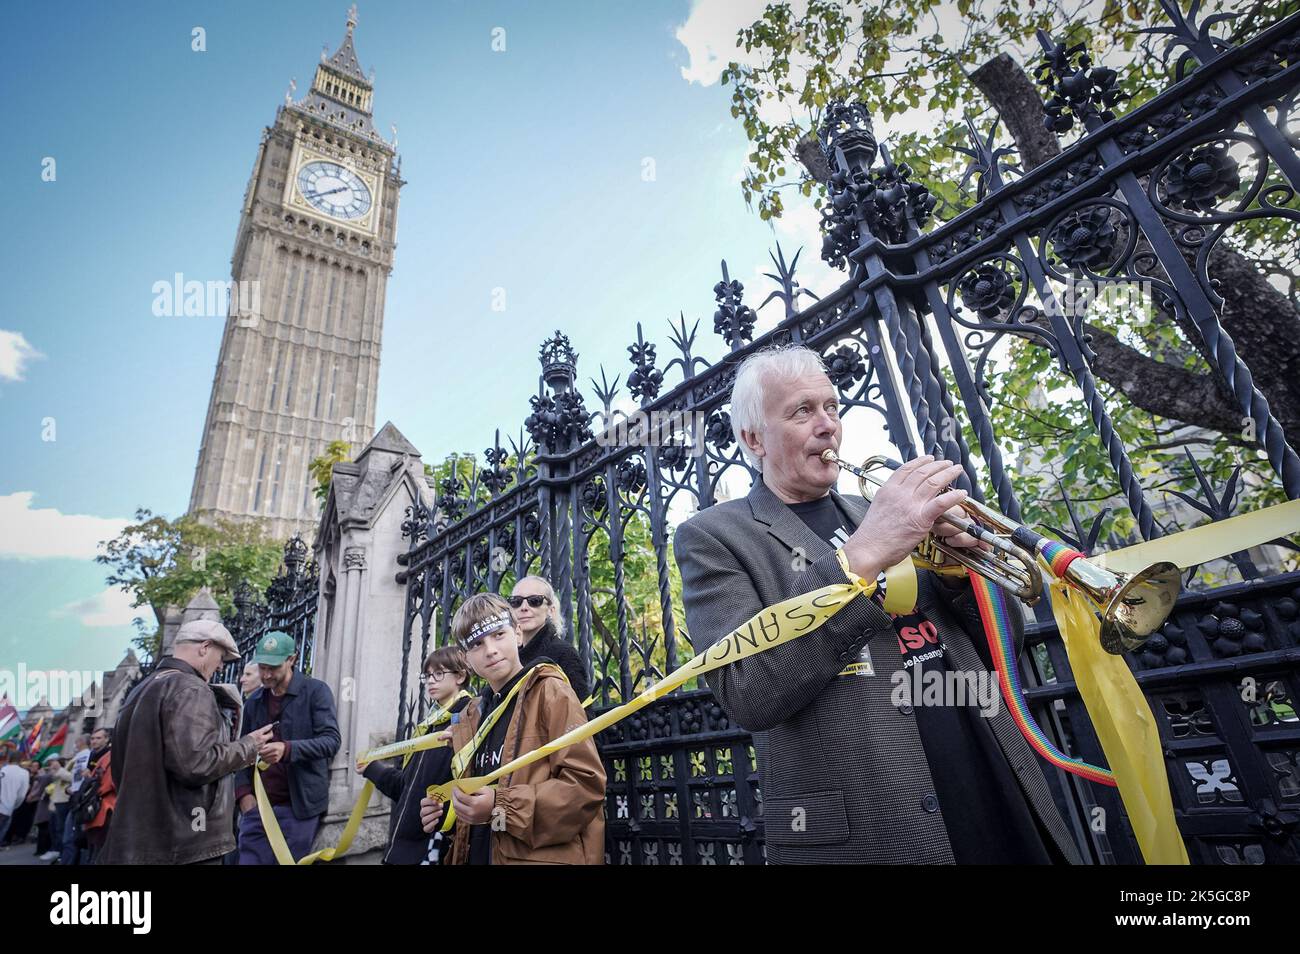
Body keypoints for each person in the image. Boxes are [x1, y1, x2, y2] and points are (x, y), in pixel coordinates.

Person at [673, 344, 1082, 864]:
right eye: (802, 411)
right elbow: (748, 691)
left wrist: (962, 575)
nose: (827, 426)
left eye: (832, 407)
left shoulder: (877, 508)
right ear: (754, 439)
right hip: (872, 821)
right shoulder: (713, 536)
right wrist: (861, 555)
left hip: (993, 770)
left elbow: (1003, 646)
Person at [418, 593, 605, 865]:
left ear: (517, 633)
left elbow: (584, 789)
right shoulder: (472, 715)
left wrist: (499, 807)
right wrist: (448, 814)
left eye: (498, 635)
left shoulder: (550, 691)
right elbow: (479, 804)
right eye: (477, 644)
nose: (490, 650)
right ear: (467, 658)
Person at [98, 620, 276, 865]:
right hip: (184, 844)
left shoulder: (140, 691)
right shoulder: (190, 688)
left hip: (138, 840)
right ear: (204, 647)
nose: (221, 665)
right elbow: (196, 764)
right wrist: (249, 745)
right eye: (221, 656)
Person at [356, 646, 473, 864]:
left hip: (432, 848)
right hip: (402, 847)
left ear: (460, 675)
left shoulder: (468, 718)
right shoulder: (430, 724)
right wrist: (372, 768)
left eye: (439, 673)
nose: (430, 681)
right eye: (427, 675)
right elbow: (407, 787)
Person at [235, 631, 341, 864]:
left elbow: (331, 741)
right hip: (257, 810)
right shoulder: (254, 701)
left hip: (299, 810)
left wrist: (288, 749)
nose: (266, 674)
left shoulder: (316, 691)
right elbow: (242, 751)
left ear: (292, 659)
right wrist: (244, 795)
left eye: (272, 667)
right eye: (262, 667)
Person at [508, 575, 590, 702]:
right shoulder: (509, 655)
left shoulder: (564, 653)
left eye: (534, 601)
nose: (523, 607)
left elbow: (582, 712)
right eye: (516, 602)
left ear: (550, 610)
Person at [80, 727, 115, 862]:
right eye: (93, 738)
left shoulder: (110, 756)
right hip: (97, 810)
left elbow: (109, 783)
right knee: (95, 851)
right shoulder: (101, 757)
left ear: (108, 740)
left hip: (102, 810)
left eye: (98, 738)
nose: (94, 741)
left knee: (98, 852)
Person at [59, 736, 91, 865]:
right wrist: (69, 788)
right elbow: (75, 778)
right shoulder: (77, 757)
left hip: (82, 800)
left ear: (80, 742)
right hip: (74, 799)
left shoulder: (89, 755)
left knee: (77, 838)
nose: (75, 744)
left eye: (76, 741)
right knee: (70, 838)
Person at [0, 747, 29, 847]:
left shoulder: (2, 769)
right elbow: (21, 795)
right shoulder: (24, 773)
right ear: (21, 760)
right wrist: (14, 805)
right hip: (7, 808)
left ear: (9, 758)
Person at [47, 757, 72, 863]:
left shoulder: (66, 769)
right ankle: (58, 851)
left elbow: (71, 778)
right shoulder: (61, 770)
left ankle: (62, 854)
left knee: (61, 829)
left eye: (55, 763)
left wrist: (59, 768)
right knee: (56, 828)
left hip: (64, 801)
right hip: (57, 802)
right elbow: (54, 777)